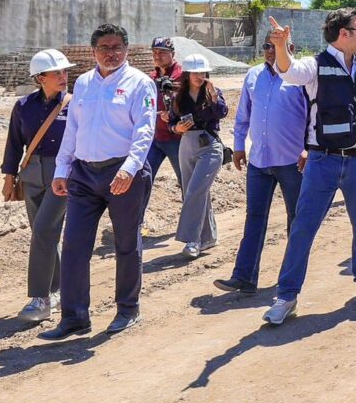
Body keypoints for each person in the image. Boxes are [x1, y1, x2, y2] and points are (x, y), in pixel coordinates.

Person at [261, 9, 356, 325]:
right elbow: (289, 71)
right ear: (344, 34)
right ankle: (286, 296)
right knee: (303, 227)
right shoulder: (315, 65)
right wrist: (280, 46)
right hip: (322, 160)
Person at [40, 24, 156, 339]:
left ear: (126, 50)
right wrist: (62, 169)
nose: (111, 53)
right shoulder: (84, 83)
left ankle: (127, 309)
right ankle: (75, 317)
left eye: (117, 47)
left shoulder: (140, 84)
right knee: (74, 245)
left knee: (126, 243)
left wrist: (130, 169)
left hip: (123, 173)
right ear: (93, 52)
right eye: (104, 48)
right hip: (83, 175)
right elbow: (72, 130)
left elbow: (144, 130)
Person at [215, 39, 308, 294]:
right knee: (254, 219)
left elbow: (314, 116)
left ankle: (290, 280)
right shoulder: (253, 75)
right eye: (267, 46)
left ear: (291, 49)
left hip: (292, 162)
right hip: (259, 161)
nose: (270, 51)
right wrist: (238, 145)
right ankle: (244, 277)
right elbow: (243, 114)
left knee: (296, 221)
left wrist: (309, 148)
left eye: (276, 46)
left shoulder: (299, 77)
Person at [0, 49, 75, 322]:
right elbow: (14, 143)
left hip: (62, 176)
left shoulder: (74, 105)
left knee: (44, 230)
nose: (64, 76)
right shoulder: (23, 106)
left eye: (65, 71)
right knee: (43, 234)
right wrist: (9, 177)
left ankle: (40, 299)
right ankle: (59, 289)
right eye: (57, 73)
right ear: (40, 77)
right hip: (31, 176)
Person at [168, 54, 228, 258]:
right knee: (195, 192)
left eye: (202, 72)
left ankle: (192, 240)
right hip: (186, 145)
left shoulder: (213, 93)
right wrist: (176, 128)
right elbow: (171, 122)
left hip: (209, 145)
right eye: (195, 72)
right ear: (187, 74)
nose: (199, 76)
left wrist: (213, 96)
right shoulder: (179, 97)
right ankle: (208, 237)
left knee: (195, 191)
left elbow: (222, 113)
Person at [147, 37, 184, 188]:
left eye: (162, 52)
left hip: (177, 139)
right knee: (142, 179)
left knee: (186, 181)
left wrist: (174, 115)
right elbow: (147, 102)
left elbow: (196, 105)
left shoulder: (183, 76)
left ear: (172, 54)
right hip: (155, 138)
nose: (157, 56)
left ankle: (197, 205)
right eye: (155, 52)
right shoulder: (151, 77)